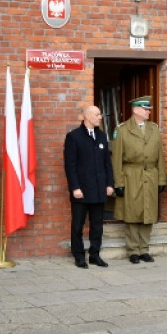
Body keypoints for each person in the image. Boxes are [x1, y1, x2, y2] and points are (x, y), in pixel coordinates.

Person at [112, 95, 166, 264]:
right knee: (132, 213)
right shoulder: (122, 130)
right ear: (135, 110)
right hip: (131, 175)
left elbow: (160, 157)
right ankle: (133, 250)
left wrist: (161, 180)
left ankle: (144, 249)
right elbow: (117, 159)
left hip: (151, 175)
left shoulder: (154, 129)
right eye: (145, 109)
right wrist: (118, 182)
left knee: (148, 212)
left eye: (148, 109)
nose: (149, 112)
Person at [63, 105, 115, 269]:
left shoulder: (101, 136)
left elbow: (107, 163)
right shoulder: (74, 137)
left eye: (100, 114)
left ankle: (94, 254)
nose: (100, 117)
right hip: (82, 190)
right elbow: (70, 165)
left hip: (99, 189)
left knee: (97, 225)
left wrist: (109, 184)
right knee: (78, 225)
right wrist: (75, 187)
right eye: (97, 114)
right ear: (87, 117)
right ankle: (79, 256)